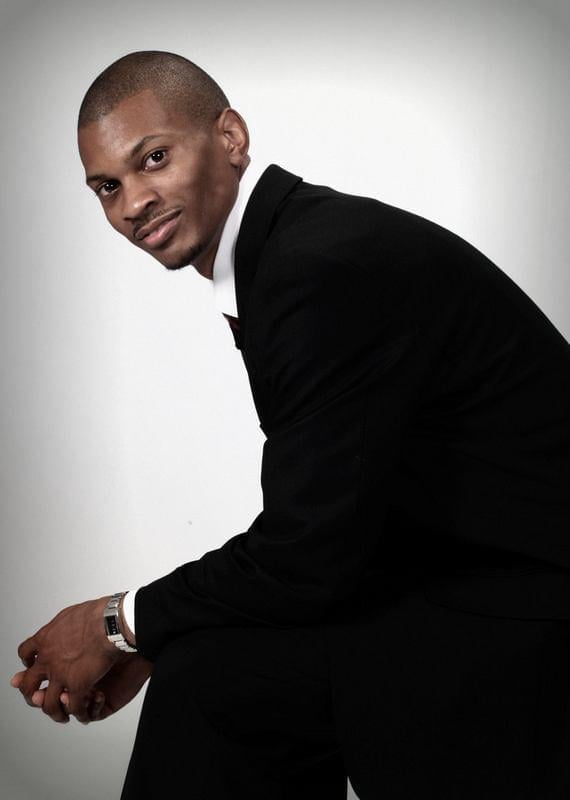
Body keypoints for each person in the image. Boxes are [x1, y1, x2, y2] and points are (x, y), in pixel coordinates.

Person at [11, 50, 570, 799]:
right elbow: (335, 521)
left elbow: (308, 552)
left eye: (154, 159)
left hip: (520, 609)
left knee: (214, 682)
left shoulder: (317, 269)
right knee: (212, 672)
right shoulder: (294, 246)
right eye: (107, 187)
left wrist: (118, 625)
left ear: (231, 137)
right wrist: (159, 634)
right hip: (448, 573)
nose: (133, 202)